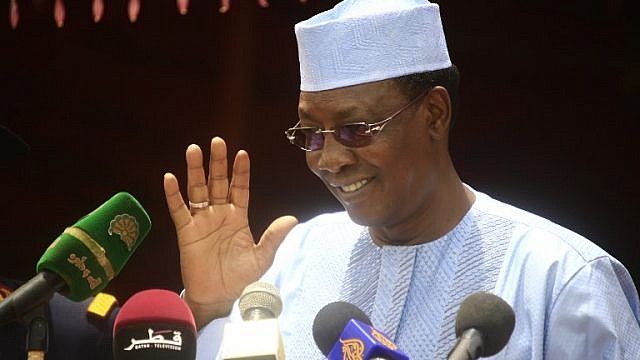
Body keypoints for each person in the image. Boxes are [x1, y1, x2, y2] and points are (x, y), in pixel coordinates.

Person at [162, 0, 640, 358]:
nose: (327, 159)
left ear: (434, 114)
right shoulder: (294, 260)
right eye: (310, 133)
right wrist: (212, 311)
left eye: (355, 130)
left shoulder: (560, 278)